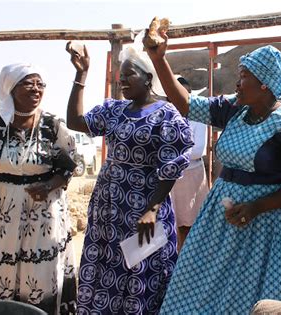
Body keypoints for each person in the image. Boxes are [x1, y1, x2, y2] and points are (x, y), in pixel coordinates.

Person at [146, 34, 281, 312]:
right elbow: (186, 105)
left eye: (244, 76)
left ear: (264, 83)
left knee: (269, 297)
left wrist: (256, 207)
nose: (237, 82)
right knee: (200, 291)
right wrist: (158, 59)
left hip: (273, 228)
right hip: (224, 222)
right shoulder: (234, 110)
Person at [65, 38, 193, 315]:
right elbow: (76, 122)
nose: (122, 80)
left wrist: (152, 209)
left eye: (129, 75)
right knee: (105, 266)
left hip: (143, 207)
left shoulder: (166, 115)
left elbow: (170, 168)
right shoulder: (113, 110)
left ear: (148, 78)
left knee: (140, 268)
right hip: (108, 207)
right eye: (120, 75)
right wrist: (81, 74)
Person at [0, 63, 77, 314]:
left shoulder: (53, 126)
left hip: (41, 213)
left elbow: (69, 166)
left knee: (37, 274)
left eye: (40, 84)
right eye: (29, 83)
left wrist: (49, 185)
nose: (36, 89)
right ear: (10, 88)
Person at [169, 75, 209, 252]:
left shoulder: (197, 117)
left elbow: (198, 150)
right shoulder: (165, 115)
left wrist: (168, 154)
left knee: (188, 224)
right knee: (170, 223)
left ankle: (184, 264)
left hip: (190, 177)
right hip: (170, 177)